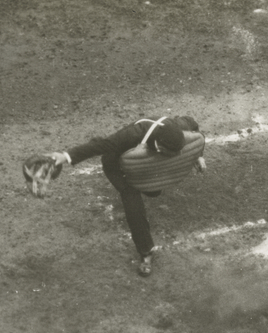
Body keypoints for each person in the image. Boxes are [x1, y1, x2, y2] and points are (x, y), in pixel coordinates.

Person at [38, 116, 205, 277]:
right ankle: (146, 251)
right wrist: (65, 156)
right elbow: (101, 145)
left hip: (148, 163)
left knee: (153, 191)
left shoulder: (179, 127)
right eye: (164, 151)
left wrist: (198, 154)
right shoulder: (132, 135)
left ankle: (150, 185)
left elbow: (195, 128)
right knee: (131, 196)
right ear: (157, 144)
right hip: (116, 163)